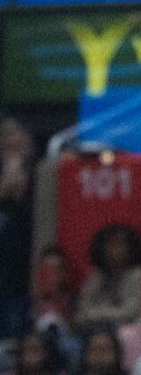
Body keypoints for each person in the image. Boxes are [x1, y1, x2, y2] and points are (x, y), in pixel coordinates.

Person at [73, 224, 141, 332]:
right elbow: (82, 311)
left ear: (130, 247)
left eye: (119, 244)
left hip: (126, 331)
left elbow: (132, 311)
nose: (114, 250)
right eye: (110, 245)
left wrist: (101, 312)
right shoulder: (95, 277)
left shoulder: (138, 275)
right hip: (94, 330)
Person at [0, 117, 35, 340]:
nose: (13, 140)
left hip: (24, 276)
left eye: (17, 134)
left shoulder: (42, 174)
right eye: (7, 136)